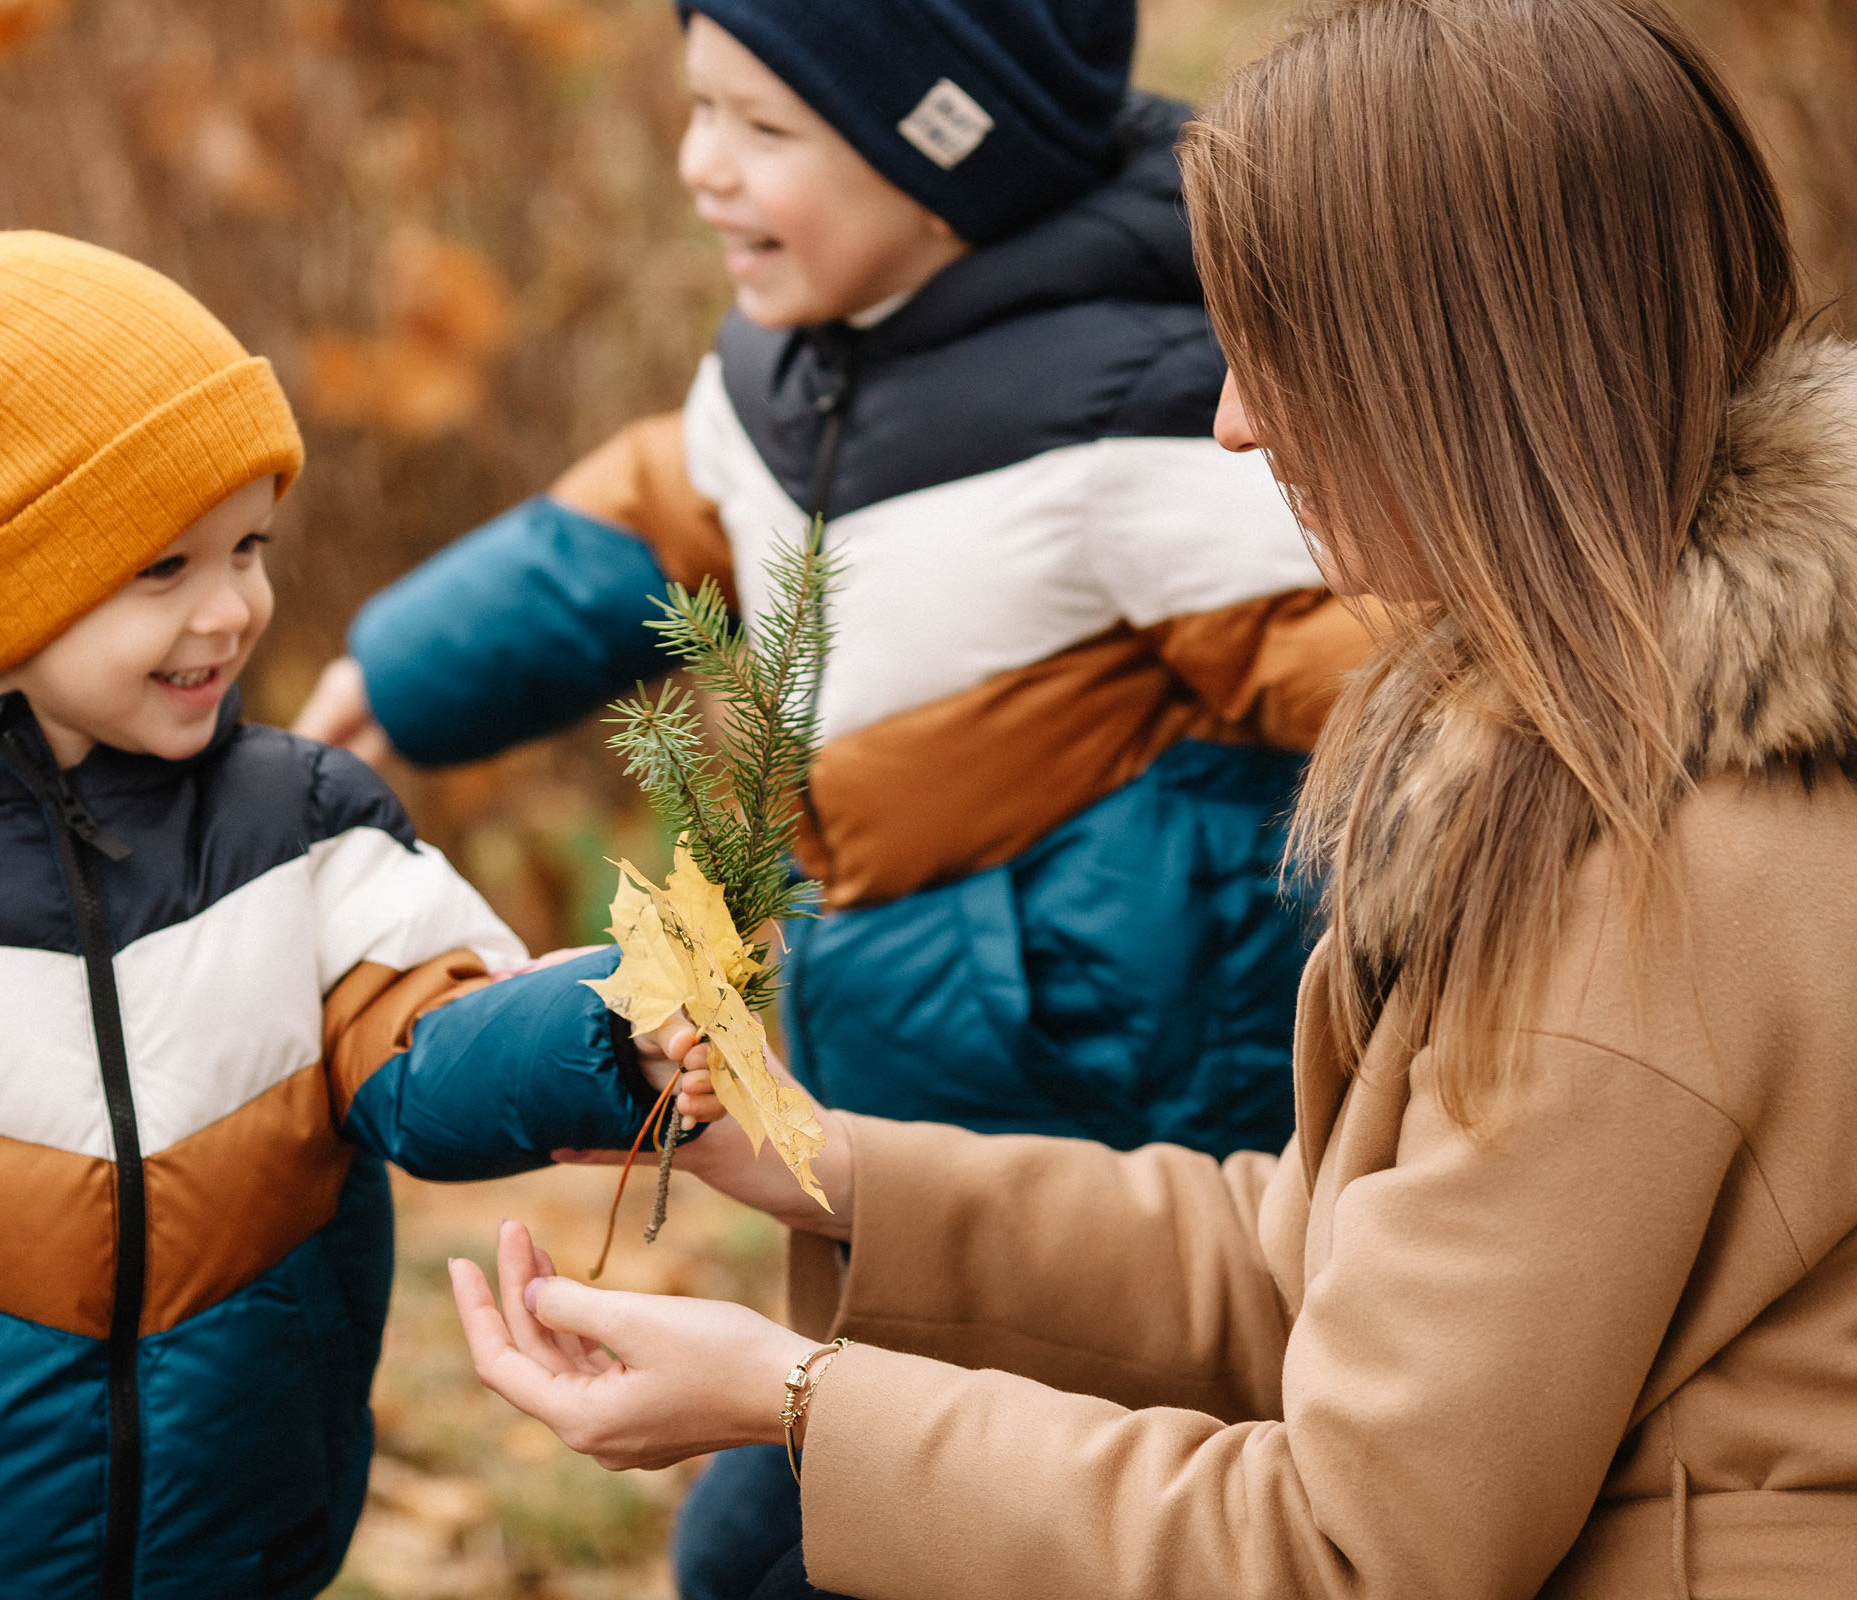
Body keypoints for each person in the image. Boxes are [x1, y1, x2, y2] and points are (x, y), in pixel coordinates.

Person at [448, 0, 1857, 1594]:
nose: (1232, 419)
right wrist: (832, 1169)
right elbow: (1327, 1262)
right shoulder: (1596, 741)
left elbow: (1353, 1546)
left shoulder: (1647, 876)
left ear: (1465, 363)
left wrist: (789, 1401)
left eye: (1279, 352)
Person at [301, 7, 1367, 1582]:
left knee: (901, 1529)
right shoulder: (793, 373)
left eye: (763, 130)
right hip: (902, 1114)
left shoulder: (1155, 417)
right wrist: (406, 669)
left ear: (946, 147)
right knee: (797, 1531)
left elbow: (1408, 679)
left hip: (1125, 1144)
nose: (699, 168)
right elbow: (654, 508)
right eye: (696, 112)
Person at [0, 231, 684, 1600]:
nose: (231, 609)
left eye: (251, 546)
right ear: (1, 588)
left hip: (243, 1550)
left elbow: (429, 1049)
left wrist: (612, 1026)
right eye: (164, 568)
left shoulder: (304, 838)